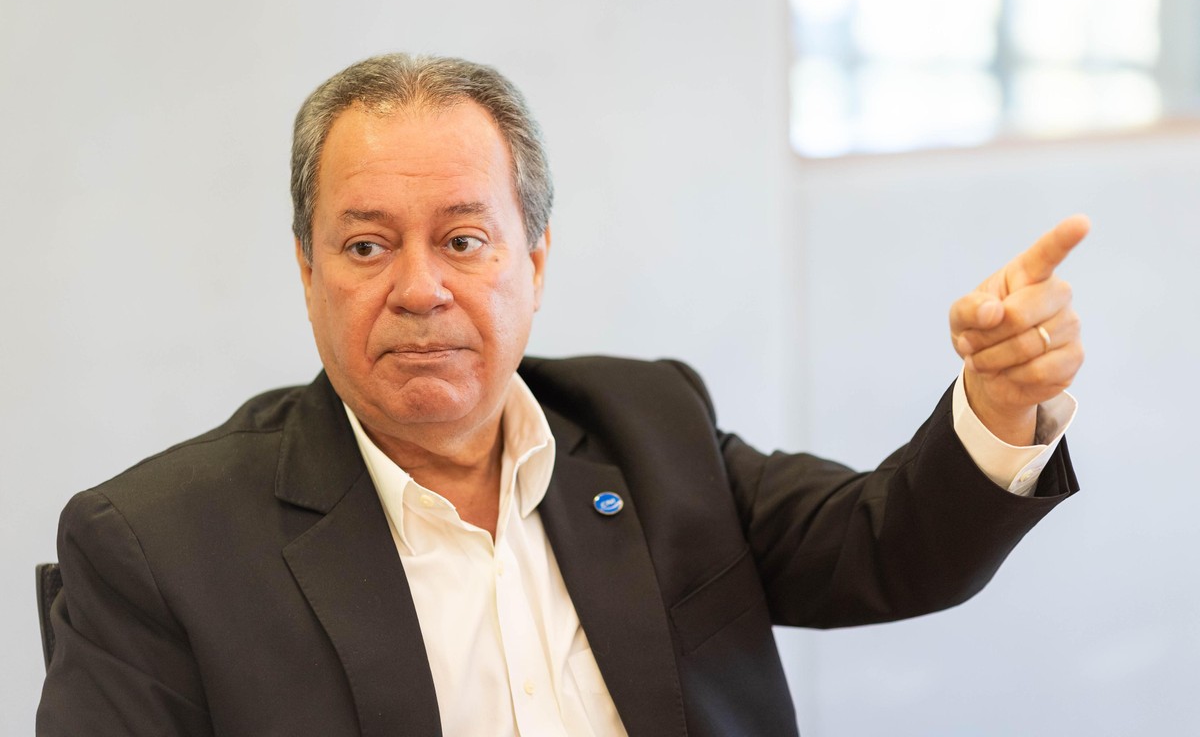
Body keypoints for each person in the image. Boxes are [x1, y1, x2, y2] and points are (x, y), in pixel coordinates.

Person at [36, 54, 1086, 737]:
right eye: (366, 246)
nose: (419, 287)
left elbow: (886, 546)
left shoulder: (647, 428)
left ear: (534, 262)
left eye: (463, 240)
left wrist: (998, 403)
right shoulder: (159, 546)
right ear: (308, 272)